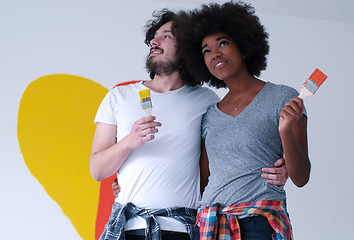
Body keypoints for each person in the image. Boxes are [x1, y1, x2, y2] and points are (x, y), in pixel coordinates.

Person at [91, 9, 288, 240]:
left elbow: (231, 156)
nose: (154, 41)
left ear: (186, 49)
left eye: (166, 36)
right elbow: (97, 170)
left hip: (184, 228)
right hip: (127, 228)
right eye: (154, 36)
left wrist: (277, 171)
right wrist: (128, 142)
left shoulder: (206, 101)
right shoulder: (118, 97)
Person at [174, 2, 310, 239]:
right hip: (209, 225)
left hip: (259, 223)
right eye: (206, 50)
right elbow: (202, 179)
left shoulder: (283, 97)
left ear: (245, 48)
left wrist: (286, 132)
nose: (215, 53)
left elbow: (301, 177)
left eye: (223, 43)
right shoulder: (209, 114)